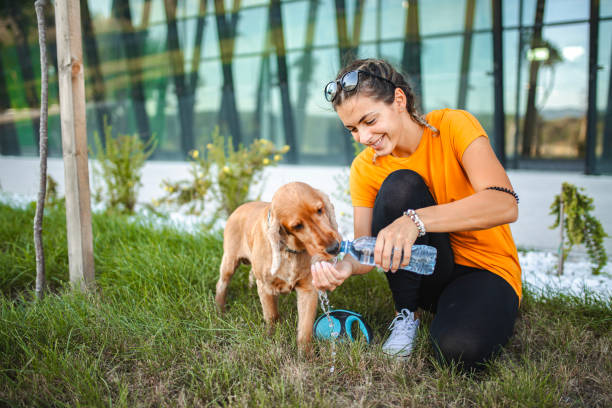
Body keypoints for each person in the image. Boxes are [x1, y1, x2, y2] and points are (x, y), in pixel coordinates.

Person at [311, 58, 521, 370]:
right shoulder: (365, 169)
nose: (363, 138)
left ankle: (469, 310)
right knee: (400, 185)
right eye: (352, 129)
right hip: (426, 277)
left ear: (399, 100)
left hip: (485, 270)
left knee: (458, 351)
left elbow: (504, 204)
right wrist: (343, 267)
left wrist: (415, 221)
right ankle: (407, 314)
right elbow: (365, 245)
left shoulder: (453, 126)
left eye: (369, 121)